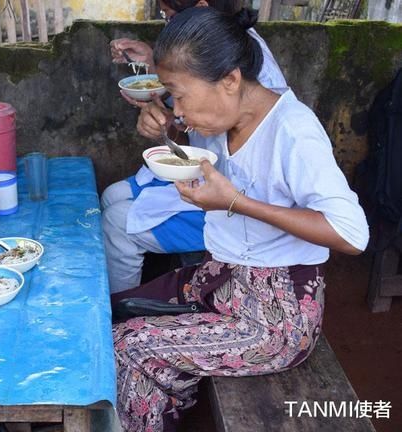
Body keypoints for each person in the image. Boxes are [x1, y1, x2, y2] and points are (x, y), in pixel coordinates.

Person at [111, 7, 368, 432]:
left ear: (230, 79)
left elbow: (352, 233)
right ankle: (159, 410)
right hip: (224, 277)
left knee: (130, 349)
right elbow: (187, 139)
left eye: (178, 95)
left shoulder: (292, 131)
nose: (178, 109)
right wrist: (165, 130)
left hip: (276, 316)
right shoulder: (222, 116)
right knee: (117, 313)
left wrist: (237, 203)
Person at [103, 0, 288, 293]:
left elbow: (346, 231)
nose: (170, 25)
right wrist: (166, 124)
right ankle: (134, 299)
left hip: (233, 203)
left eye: (171, 16)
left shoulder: (269, 104)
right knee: (113, 197)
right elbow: (190, 131)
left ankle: (120, 309)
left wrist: (172, 118)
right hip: (209, 179)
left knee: (117, 221)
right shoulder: (215, 54)